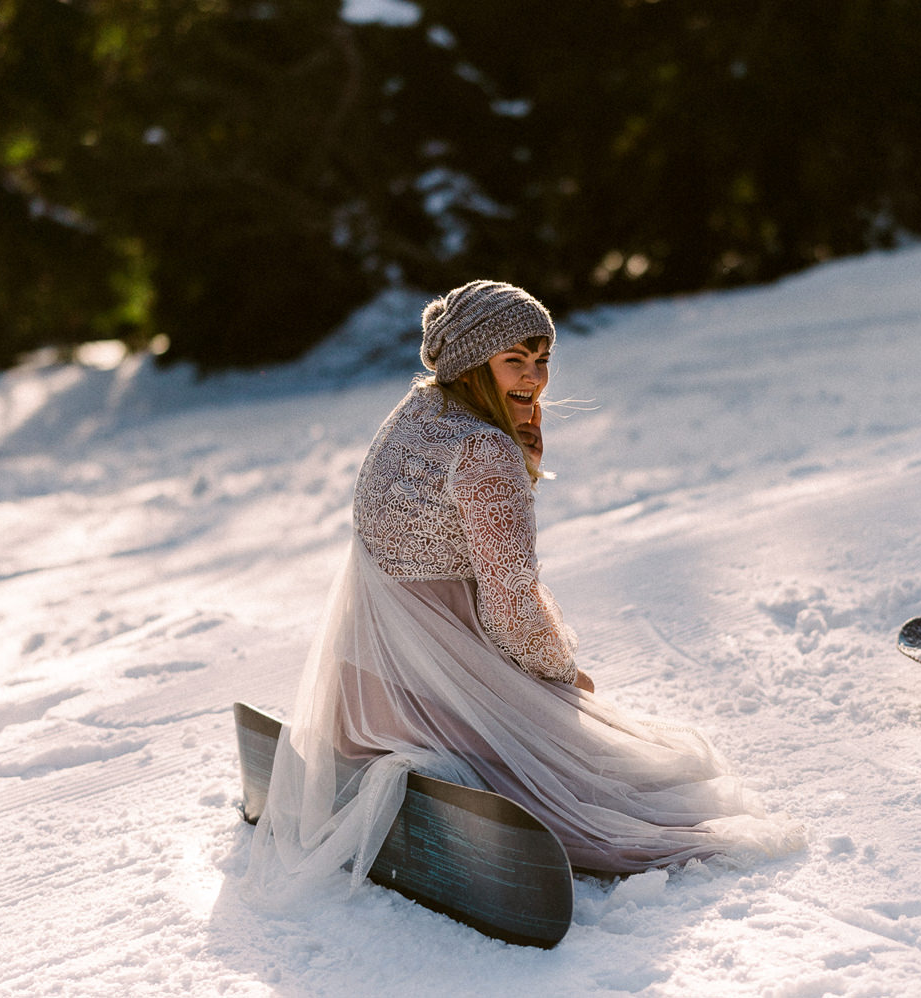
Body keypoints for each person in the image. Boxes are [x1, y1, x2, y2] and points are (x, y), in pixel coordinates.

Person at [247, 281, 801, 896]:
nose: (535, 378)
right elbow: (512, 604)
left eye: (542, 359)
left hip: (366, 689)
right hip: (436, 696)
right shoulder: (484, 451)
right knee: (626, 775)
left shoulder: (414, 414)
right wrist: (562, 676)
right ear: (471, 364)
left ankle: (388, 764)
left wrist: (521, 465)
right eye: (515, 359)